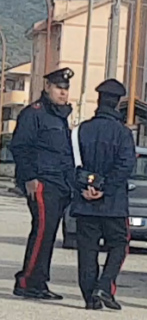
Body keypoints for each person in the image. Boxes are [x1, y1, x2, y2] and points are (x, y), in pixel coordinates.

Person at [11, 68, 75, 300]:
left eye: (66, 89)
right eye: (59, 88)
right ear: (47, 87)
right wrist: (29, 178)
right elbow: (20, 146)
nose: (63, 93)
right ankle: (27, 281)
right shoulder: (34, 113)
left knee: (48, 235)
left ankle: (38, 282)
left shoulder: (60, 116)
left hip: (59, 183)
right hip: (42, 181)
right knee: (42, 233)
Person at [71, 79, 136, 311]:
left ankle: (90, 298)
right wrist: (105, 189)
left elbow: (70, 165)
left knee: (87, 250)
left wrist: (85, 188)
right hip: (114, 205)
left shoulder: (80, 131)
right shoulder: (123, 134)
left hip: (84, 203)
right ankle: (105, 286)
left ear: (98, 101)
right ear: (118, 103)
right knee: (119, 244)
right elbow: (126, 166)